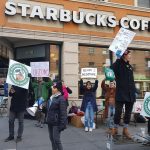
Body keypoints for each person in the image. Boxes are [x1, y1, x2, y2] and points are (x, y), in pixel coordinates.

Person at [111, 50, 136, 139]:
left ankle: (125, 129)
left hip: (130, 93)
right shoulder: (118, 64)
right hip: (121, 93)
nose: (130, 55)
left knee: (128, 113)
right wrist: (117, 59)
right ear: (124, 55)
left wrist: (135, 91)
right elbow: (111, 68)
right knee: (118, 112)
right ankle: (115, 128)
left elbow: (131, 80)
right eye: (129, 54)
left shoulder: (129, 66)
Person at [47, 80, 67, 150]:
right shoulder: (51, 97)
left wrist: (62, 125)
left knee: (56, 140)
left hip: (57, 123)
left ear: (58, 89)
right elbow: (49, 109)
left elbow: (63, 113)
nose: (52, 88)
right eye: (52, 87)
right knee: (52, 139)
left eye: (54, 87)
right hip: (50, 121)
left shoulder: (61, 99)